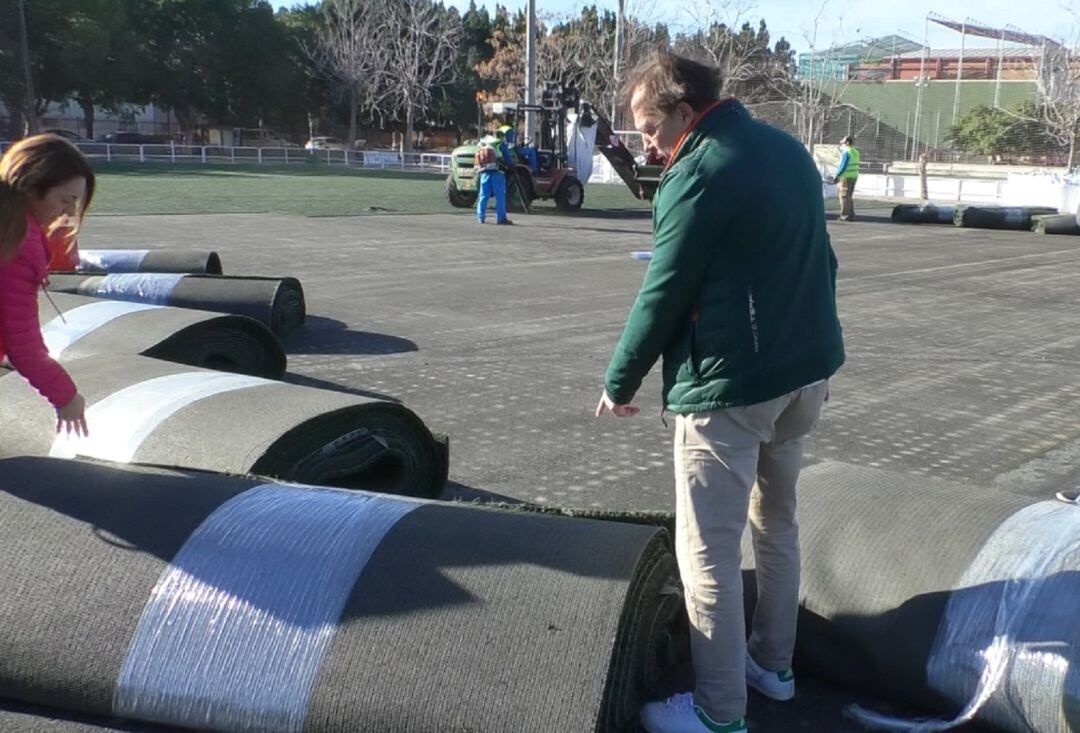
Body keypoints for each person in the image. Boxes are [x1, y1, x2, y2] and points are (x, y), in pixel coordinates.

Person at [595, 50, 844, 733]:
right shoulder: (787, 150)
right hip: (804, 377)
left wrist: (619, 380)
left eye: (650, 126)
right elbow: (821, 259)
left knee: (706, 553)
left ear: (685, 111)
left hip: (730, 390)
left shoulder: (697, 172)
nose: (645, 141)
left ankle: (718, 712)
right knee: (778, 524)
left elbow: (664, 291)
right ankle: (774, 665)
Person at [0, 133, 95, 436]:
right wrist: (67, 397)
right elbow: (23, 344)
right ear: (31, 185)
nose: (67, 212)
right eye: (65, 199)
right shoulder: (16, 243)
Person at [475, 130, 513, 225]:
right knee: (500, 196)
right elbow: (508, 158)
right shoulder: (500, 144)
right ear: (501, 137)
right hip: (497, 173)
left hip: (484, 172)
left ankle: (481, 217)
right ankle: (501, 218)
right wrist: (512, 166)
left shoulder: (484, 143)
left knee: (483, 195)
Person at [831, 135, 860, 221]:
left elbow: (843, 166)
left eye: (843, 143)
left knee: (843, 196)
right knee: (849, 196)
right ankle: (851, 214)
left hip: (845, 177)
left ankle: (845, 215)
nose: (841, 145)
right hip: (854, 176)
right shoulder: (855, 151)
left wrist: (836, 176)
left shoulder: (847, 152)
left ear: (847, 143)